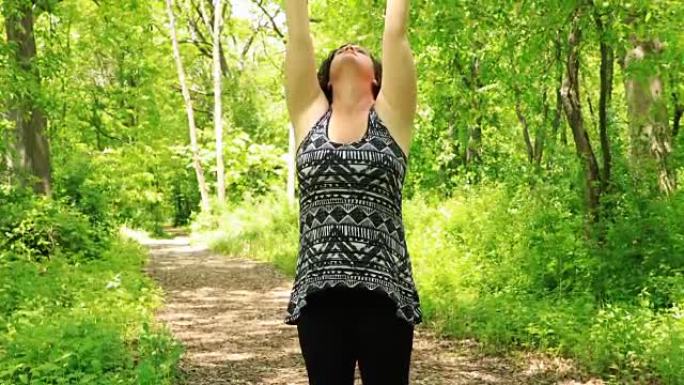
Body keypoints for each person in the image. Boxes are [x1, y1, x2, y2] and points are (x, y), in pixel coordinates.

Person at [282, 1, 421, 384]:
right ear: (324, 79)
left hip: (385, 292)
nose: (348, 47)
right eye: (341, 50)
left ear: (377, 77)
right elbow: (297, 30)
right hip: (319, 292)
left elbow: (394, 31)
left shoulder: (392, 116)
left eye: (359, 49)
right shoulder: (309, 114)